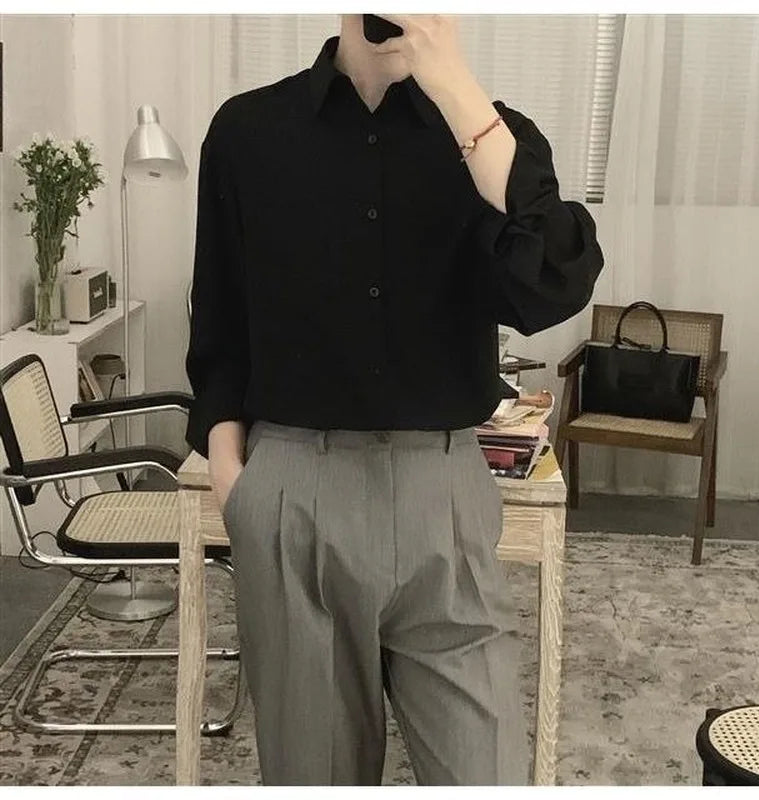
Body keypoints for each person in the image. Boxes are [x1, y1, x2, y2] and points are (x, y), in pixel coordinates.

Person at [185, 13, 604, 786]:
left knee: (485, 770)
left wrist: (459, 95)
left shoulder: (490, 133)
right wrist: (234, 478)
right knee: (314, 774)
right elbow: (219, 321)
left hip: (442, 492)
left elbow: (555, 284)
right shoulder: (248, 132)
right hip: (295, 490)